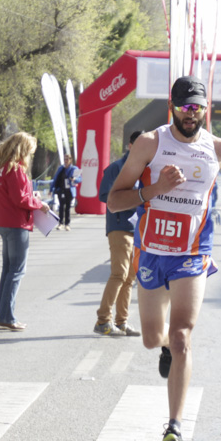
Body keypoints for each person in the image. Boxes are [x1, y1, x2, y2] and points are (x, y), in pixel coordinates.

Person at [107, 75, 221, 441]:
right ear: (172, 107)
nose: (192, 115)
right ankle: (165, 347)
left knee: (183, 335)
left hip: (192, 251)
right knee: (154, 339)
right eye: (185, 108)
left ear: (206, 108)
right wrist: (153, 190)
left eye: (198, 108)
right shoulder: (150, 143)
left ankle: (174, 428)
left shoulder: (217, 147)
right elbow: (115, 201)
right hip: (152, 251)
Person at [0, 131, 48, 332]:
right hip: (16, 223)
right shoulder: (15, 169)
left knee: (8, 270)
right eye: (30, 151)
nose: (31, 155)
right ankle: (6, 317)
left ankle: (3, 315)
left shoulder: (1, 168)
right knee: (16, 271)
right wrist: (38, 203)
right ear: (23, 150)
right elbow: (20, 199)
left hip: (4, 222)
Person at [94, 130, 143, 337]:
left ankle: (122, 321)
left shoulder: (144, 168)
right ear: (130, 146)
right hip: (119, 225)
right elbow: (105, 195)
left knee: (130, 277)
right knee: (119, 273)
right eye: (139, 145)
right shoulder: (116, 168)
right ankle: (103, 321)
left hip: (137, 228)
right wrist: (131, 196)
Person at [52, 153, 78, 231]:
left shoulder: (74, 169)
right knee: (61, 206)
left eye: (67, 159)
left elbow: (79, 178)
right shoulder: (61, 168)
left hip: (69, 190)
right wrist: (51, 189)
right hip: (61, 190)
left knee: (67, 207)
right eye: (65, 159)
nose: (66, 161)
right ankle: (60, 223)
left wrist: (74, 179)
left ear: (70, 160)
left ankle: (67, 224)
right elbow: (55, 179)